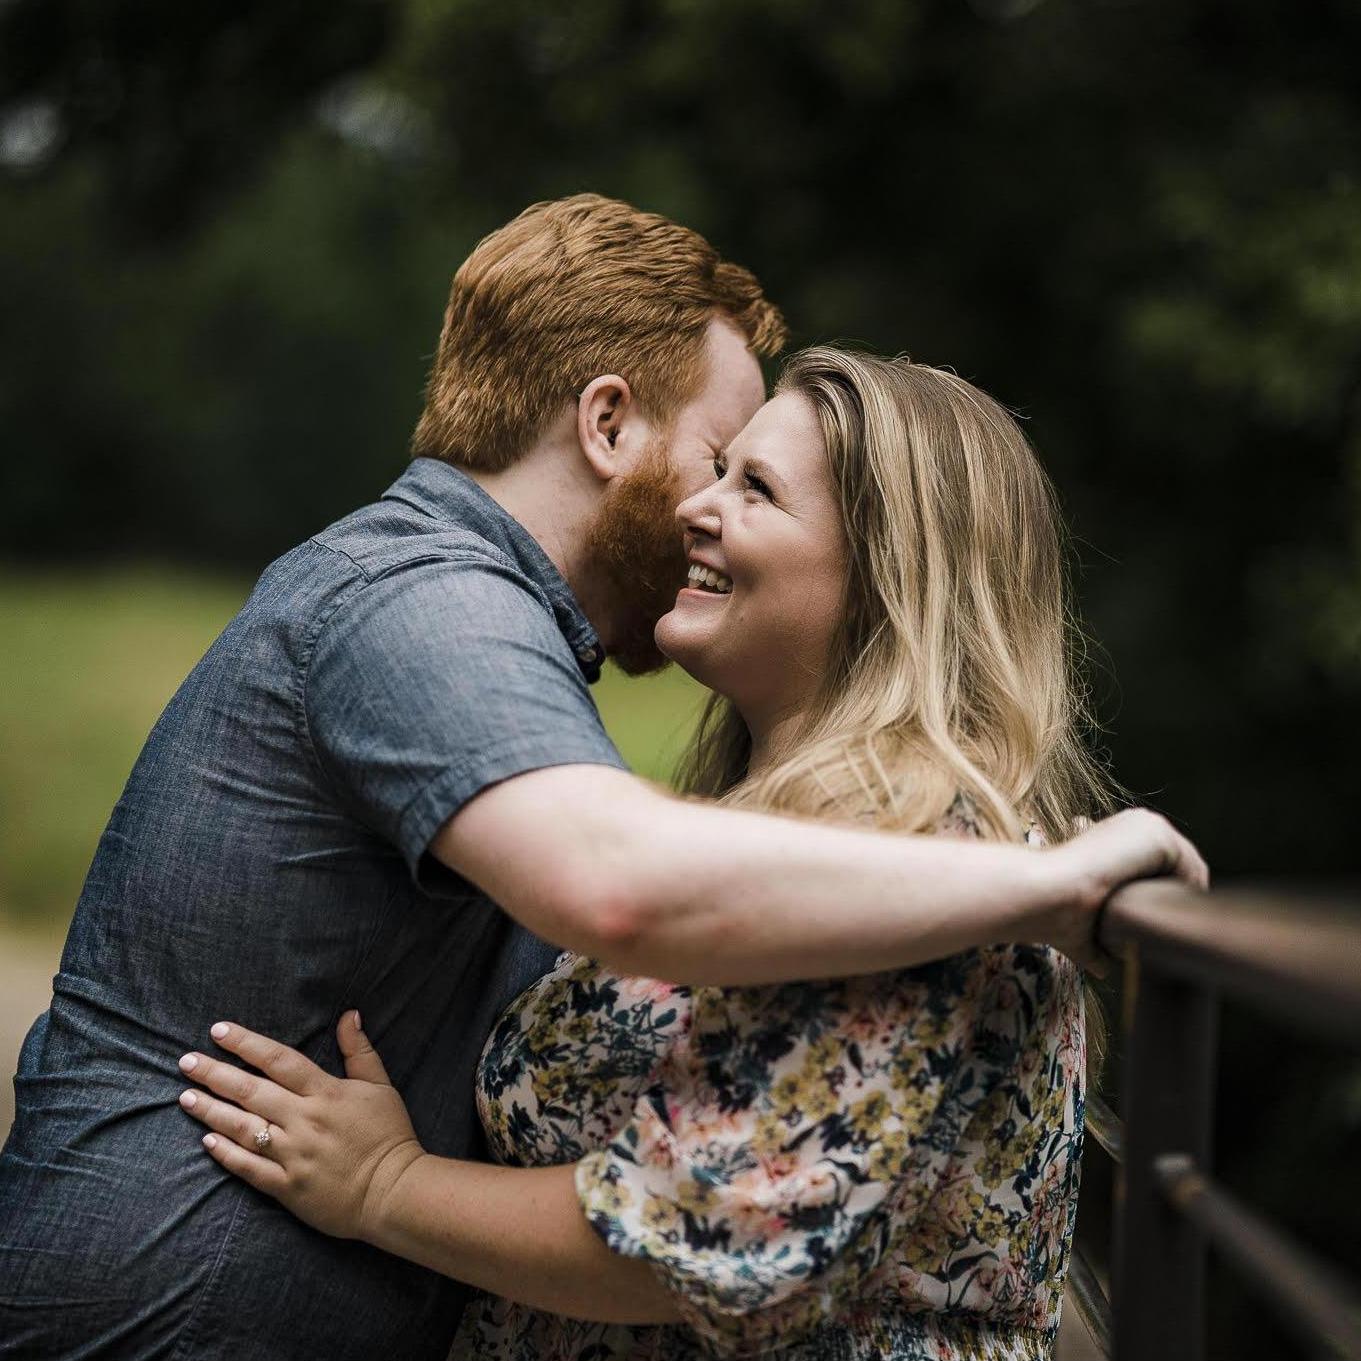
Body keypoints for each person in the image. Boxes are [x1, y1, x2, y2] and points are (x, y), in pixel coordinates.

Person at [174, 346, 1205, 1360]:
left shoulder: (922, 849)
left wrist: (382, 1186)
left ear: (886, 572)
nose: (693, 507)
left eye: (754, 488)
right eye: (718, 470)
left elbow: (695, 1240)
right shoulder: (787, 836)